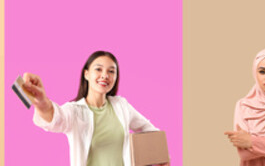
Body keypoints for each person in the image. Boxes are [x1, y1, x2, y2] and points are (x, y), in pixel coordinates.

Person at [19, 50, 162, 166]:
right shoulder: (75, 111)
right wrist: (42, 102)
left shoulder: (121, 105)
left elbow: (148, 129)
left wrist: (161, 156)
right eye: (98, 69)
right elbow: (55, 118)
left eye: (111, 71)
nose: (105, 75)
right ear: (86, 74)